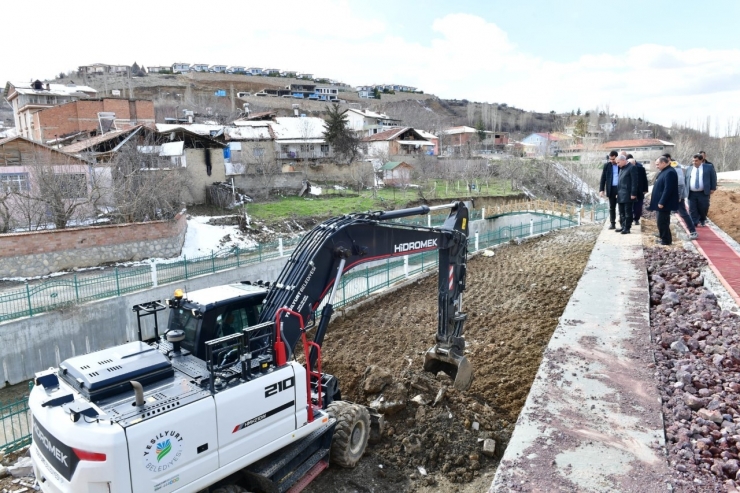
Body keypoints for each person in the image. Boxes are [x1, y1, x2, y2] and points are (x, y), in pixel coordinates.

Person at [664, 153, 698, 240]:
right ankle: (664, 232)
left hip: (677, 195)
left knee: (683, 213)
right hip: (669, 195)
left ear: (669, 159)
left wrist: (678, 196)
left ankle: (693, 231)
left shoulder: (676, 167)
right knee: (664, 214)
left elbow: (680, 184)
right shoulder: (668, 168)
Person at [649, 156, 680, 245]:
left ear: (663, 163)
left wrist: (662, 201)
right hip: (661, 202)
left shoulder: (670, 172)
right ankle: (664, 238)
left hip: (665, 203)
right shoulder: (664, 171)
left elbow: (668, 189)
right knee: (661, 221)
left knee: (662, 222)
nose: (656, 166)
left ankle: (666, 240)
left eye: (658, 164)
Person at [688, 153, 717, 227]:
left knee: (703, 207)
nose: (694, 162)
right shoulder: (689, 168)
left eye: (696, 161)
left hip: (703, 192)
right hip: (691, 192)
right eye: (693, 161)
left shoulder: (708, 167)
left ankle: (702, 219)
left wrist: (713, 188)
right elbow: (687, 179)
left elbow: (713, 178)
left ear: (701, 160)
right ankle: (694, 222)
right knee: (692, 208)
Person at [615, 155, 638, 234]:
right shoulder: (621, 168)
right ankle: (622, 226)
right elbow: (620, 182)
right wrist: (617, 193)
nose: (617, 164)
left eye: (618, 162)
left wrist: (633, 193)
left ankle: (627, 227)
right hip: (621, 194)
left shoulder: (632, 168)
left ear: (623, 160)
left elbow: (635, 182)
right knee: (621, 212)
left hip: (628, 194)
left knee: (627, 212)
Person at [599, 151, 620, 229]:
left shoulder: (621, 165)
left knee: (621, 207)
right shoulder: (607, 166)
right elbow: (603, 178)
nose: (611, 161)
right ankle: (612, 223)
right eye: (610, 159)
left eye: (613, 159)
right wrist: (601, 189)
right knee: (612, 207)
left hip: (620, 189)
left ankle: (622, 223)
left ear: (617, 157)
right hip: (611, 189)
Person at [627, 154, 648, 225]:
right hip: (628, 191)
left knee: (638, 206)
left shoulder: (641, 169)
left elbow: (645, 180)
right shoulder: (624, 169)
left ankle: (636, 219)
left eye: (632, 164)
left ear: (635, 163)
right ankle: (628, 219)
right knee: (628, 206)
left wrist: (645, 189)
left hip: (639, 191)